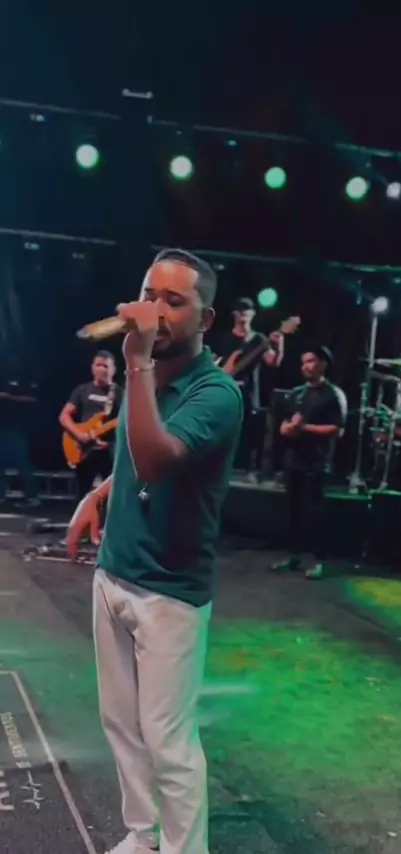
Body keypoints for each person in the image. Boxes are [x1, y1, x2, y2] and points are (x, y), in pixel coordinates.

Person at [66, 248, 243, 854]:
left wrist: (137, 362)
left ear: (206, 319)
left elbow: (156, 460)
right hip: (115, 571)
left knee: (167, 740)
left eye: (175, 301)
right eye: (149, 295)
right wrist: (99, 493)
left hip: (170, 591)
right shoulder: (149, 377)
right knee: (121, 725)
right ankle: (143, 837)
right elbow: (131, 457)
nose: (157, 310)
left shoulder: (216, 394)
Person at [271, 346, 347, 579]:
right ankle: (293, 555)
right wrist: (289, 429)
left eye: (311, 361)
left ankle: (319, 560)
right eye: (303, 362)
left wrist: (304, 428)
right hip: (294, 460)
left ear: (323, 364)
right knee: (292, 510)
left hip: (317, 461)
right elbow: (283, 426)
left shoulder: (333, 394)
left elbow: (337, 430)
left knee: (314, 512)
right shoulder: (296, 393)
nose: (306, 366)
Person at [215, 297, 283, 476]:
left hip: (247, 395)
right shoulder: (225, 339)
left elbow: (273, 362)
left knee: (245, 434)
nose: (243, 316)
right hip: (224, 394)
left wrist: (279, 345)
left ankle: (243, 470)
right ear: (234, 315)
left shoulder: (259, 340)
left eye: (247, 312)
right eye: (240, 312)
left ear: (252, 315)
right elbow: (213, 364)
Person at [59, 350, 123, 499]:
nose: (101, 369)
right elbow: (64, 416)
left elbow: (125, 420)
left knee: (111, 494)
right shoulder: (82, 390)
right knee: (82, 494)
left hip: (107, 450)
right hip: (84, 449)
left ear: (113, 370)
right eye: (98, 365)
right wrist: (79, 435)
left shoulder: (119, 393)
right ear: (92, 368)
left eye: (106, 366)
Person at [0, 356, 39, 506]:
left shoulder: (27, 381)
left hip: (18, 429)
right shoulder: (3, 379)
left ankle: (32, 496)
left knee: (23, 464)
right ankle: (2, 495)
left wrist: (9, 397)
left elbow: (34, 400)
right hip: (2, 427)